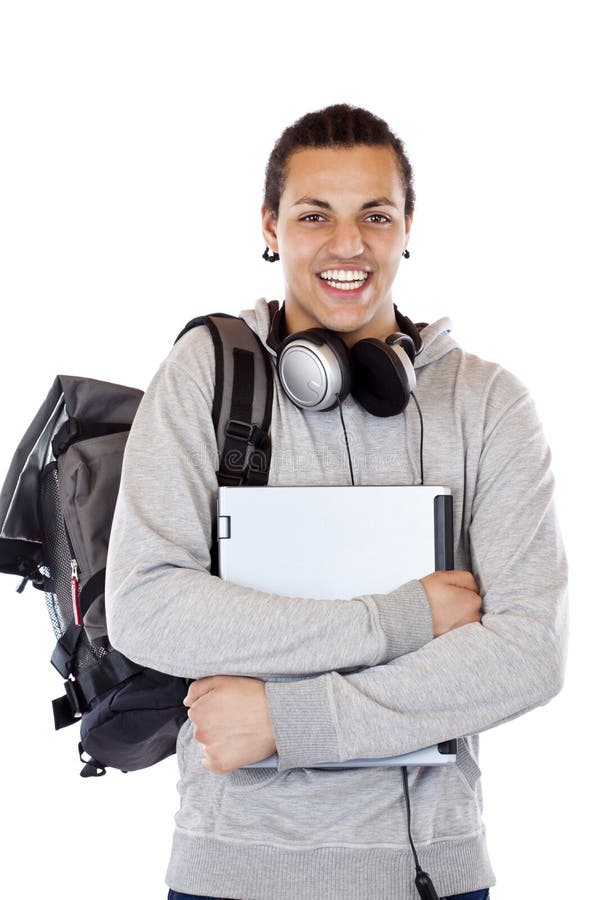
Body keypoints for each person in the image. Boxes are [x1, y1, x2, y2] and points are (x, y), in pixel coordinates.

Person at [105, 104, 568, 900]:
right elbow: (148, 607)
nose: (348, 245)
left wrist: (285, 724)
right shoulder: (206, 375)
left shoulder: (489, 402)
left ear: (407, 226)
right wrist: (403, 619)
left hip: (432, 875)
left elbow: (527, 654)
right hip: (230, 874)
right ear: (271, 225)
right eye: (315, 214)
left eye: (375, 215)